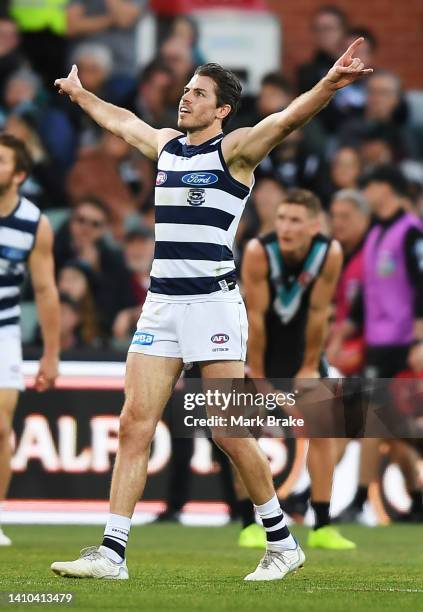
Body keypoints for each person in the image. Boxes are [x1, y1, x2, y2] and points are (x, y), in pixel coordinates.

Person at [51, 37, 372, 581]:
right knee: (134, 425)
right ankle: (111, 552)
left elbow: (286, 120)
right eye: (185, 90)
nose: (186, 98)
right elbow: (123, 121)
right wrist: (82, 97)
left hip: (211, 306)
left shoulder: (236, 151)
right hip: (161, 305)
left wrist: (327, 85)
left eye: (198, 94)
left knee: (227, 430)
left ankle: (281, 542)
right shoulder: (167, 146)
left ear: (222, 109)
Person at [241, 188, 355, 551]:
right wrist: (258, 377)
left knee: (323, 430)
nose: (285, 227)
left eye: (294, 220)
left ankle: (321, 523)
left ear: (314, 225)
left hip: (303, 352)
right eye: (281, 219)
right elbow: (255, 318)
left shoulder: (329, 253)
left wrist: (309, 367)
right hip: (261, 352)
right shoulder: (259, 251)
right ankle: (250, 522)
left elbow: (320, 313)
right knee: (244, 434)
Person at [331, 165, 423, 522]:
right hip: (377, 344)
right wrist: (340, 335)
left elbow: (420, 285)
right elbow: (363, 298)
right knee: (391, 427)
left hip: (403, 344)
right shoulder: (375, 235)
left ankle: (357, 500)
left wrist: (419, 339)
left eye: (370, 187)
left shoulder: (411, 233)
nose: (366, 195)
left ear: (386, 188)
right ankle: (416, 498)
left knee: (378, 422)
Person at [0, 132, 60, 545]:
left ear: (19, 174)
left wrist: (51, 355)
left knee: (1, 429)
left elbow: (45, 291)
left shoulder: (34, 224)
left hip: (3, 331)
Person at [53, 197, 137, 338]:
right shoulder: (52, 253)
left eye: (95, 224)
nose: (86, 228)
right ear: (70, 222)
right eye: (81, 220)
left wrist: (95, 272)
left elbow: (121, 306)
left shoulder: (114, 262)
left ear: (103, 229)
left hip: (100, 338)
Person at [327, 189, 369, 376]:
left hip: (365, 343)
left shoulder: (371, 256)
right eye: (334, 216)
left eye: (345, 216)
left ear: (364, 219)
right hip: (336, 340)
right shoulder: (333, 254)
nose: (337, 223)